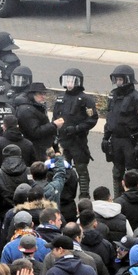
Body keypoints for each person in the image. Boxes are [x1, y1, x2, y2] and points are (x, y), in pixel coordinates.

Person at [101, 65, 138, 193]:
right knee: (117, 171)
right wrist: (105, 137)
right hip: (116, 139)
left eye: (120, 80)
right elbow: (110, 118)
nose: (118, 82)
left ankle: (136, 198)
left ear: (128, 80)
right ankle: (119, 200)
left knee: (133, 173)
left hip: (130, 140)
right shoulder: (113, 96)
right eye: (116, 79)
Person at [52, 68, 98, 198]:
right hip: (63, 140)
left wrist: (77, 128)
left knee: (81, 169)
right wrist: (54, 132)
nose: (69, 83)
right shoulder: (60, 98)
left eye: (72, 80)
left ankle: (84, 194)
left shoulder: (85, 100)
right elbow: (54, 117)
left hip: (78, 140)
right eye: (67, 80)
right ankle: (64, 193)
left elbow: (92, 119)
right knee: (62, 168)